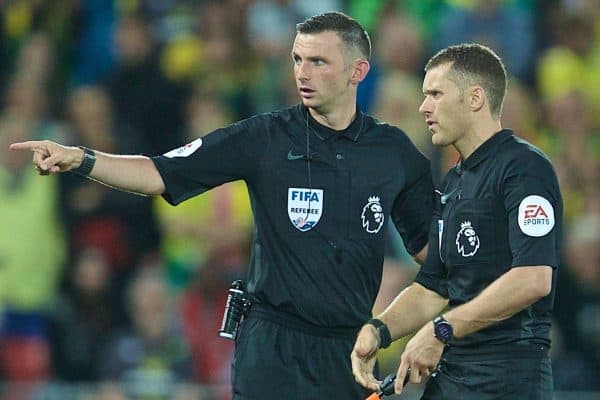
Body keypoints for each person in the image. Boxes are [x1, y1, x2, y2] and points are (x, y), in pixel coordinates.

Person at [10, 12, 434, 400]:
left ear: (358, 71)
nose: (302, 73)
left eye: (318, 62)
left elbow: (432, 255)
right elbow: (159, 173)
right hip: (272, 350)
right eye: (296, 59)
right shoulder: (265, 139)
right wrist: (81, 159)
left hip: (350, 350)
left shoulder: (393, 153)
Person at [351, 43, 563, 399]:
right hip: (454, 373)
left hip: (508, 376)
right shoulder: (454, 181)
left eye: (435, 93)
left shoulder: (524, 169)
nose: (423, 107)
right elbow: (434, 287)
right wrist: (379, 329)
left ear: (475, 98)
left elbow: (533, 278)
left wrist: (442, 330)